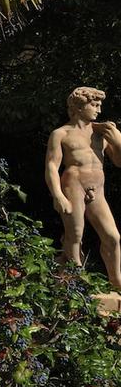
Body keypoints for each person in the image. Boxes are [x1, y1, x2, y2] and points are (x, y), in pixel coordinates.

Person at [45, 86, 121, 288]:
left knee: (112, 236)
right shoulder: (61, 134)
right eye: (94, 105)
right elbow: (52, 166)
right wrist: (58, 195)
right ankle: (75, 281)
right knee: (75, 234)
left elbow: (119, 161)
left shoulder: (101, 134)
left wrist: (118, 139)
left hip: (97, 189)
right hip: (73, 185)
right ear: (79, 107)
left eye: (99, 106)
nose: (99, 110)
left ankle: (116, 281)